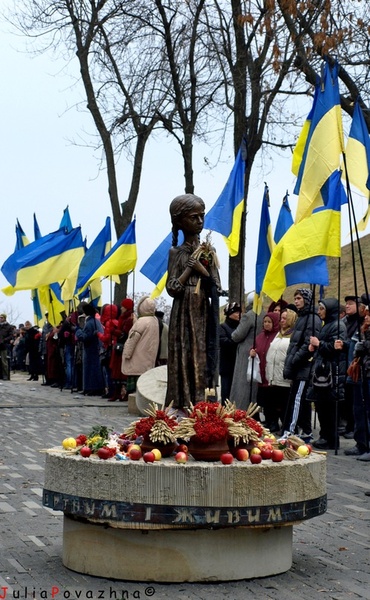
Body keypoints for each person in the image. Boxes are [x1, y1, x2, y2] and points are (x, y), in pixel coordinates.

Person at [164, 194, 222, 410]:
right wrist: (189, 269)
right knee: (183, 354)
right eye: (193, 217)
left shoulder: (209, 252)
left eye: (201, 216)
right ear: (180, 221)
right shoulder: (175, 253)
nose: (199, 221)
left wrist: (202, 270)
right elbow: (172, 287)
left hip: (201, 311)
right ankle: (181, 402)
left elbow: (216, 286)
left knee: (200, 354)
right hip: (182, 311)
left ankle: (200, 403)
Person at [282, 288, 322, 441]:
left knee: (297, 400)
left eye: (299, 298)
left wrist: (294, 360)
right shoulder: (302, 317)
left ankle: (289, 432)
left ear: (306, 299)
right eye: (295, 298)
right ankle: (305, 431)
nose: (296, 301)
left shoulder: (312, 319)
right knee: (301, 401)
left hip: (304, 367)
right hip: (299, 366)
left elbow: (308, 345)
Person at [307, 298, 347, 450]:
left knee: (329, 408)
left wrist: (319, 344)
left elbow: (337, 348)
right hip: (323, 371)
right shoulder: (328, 325)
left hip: (332, 372)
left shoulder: (338, 326)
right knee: (321, 405)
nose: (319, 311)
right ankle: (325, 436)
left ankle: (330, 438)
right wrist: (315, 347)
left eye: (322, 309)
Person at [265, 307, 298, 433]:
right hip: (273, 375)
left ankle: (287, 426)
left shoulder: (293, 335)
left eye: (285, 318)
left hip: (284, 376)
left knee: (285, 404)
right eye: (281, 318)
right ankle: (274, 423)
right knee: (274, 403)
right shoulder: (278, 334)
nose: (282, 321)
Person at [229, 292, 264, 410]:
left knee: (243, 384)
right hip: (260, 350)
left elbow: (237, 335)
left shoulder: (248, 316)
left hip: (246, 353)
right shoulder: (264, 315)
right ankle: (255, 408)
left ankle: (241, 408)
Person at [121, 296, 159, 394]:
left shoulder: (141, 322)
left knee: (135, 389)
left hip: (137, 359)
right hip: (148, 358)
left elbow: (132, 340)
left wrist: (126, 355)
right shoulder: (154, 321)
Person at [339, 295, 365, 438]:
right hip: (344, 363)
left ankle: (353, 427)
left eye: (351, 304)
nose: (347, 306)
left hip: (355, 365)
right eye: (346, 304)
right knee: (347, 398)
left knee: (355, 399)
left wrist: (345, 344)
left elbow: (354, 344)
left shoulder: (361, 322)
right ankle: (348, 425)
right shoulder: (343, 322)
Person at [249, 312, 280, 427]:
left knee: (272, 399)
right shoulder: (260, 336)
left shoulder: (278, 336)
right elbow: (255, 347)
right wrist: (252, 351)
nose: (266, 324)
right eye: (265, 322)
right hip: (261, 372)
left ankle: (274, 421)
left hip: (272, 372)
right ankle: (267, 419)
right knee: (264, 399)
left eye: (269, 322)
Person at [74, 302, 105, 396]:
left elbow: (85, 337)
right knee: (95, 369)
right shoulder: (96, 321)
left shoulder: (89, 323)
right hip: (96, 348)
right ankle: (96, 388)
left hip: (90, 349)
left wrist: (78, 331)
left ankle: (91, 388)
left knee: (90, 370)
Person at [108, 298, 135, 402]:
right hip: (119, 347)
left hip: (122, 348)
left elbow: (125, 334)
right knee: (117, 371)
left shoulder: (128, 319)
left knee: (120, 372)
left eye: (123, 306)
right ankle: (117, 393)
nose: (121, 308)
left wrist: (114, 331)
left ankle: (119, 393)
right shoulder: (123, 318)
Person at [219, 302, 241, 404]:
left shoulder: (240, 327)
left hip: (238, 365)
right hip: (227, 366)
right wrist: (236, 341)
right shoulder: (222, 327)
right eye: (236, 312)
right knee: (226, 393)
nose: (238, 314)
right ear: (230, 313)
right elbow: (223, 341)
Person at [0, 313, 14, 380]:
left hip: (4, 345)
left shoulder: (8, 326)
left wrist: (4, 340)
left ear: (5, 318)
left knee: (4, 361)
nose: (0, 319)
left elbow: (11, 335)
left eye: (2, 317)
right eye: (0, 317)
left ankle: (5, 375)